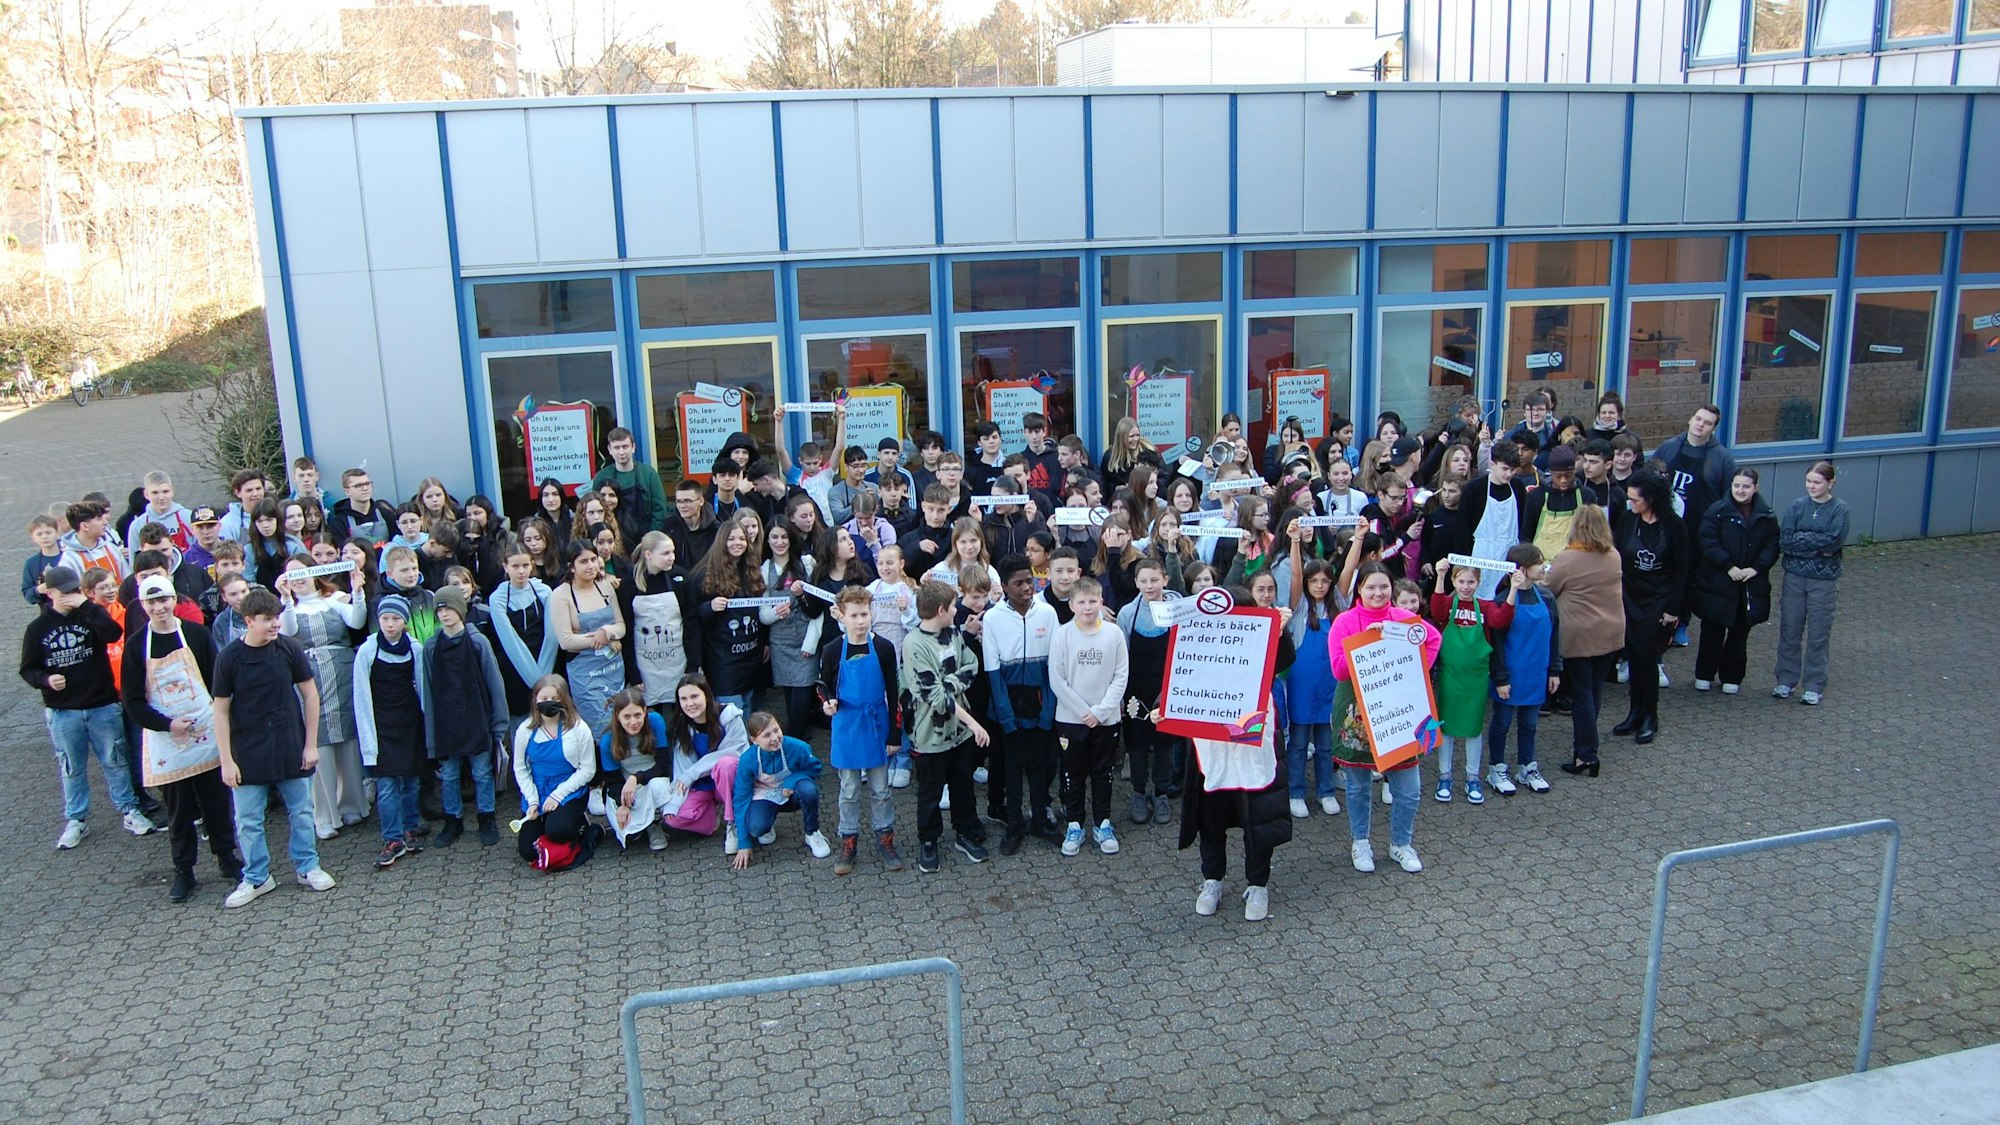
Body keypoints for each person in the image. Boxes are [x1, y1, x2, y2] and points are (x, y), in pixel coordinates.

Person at [213, 586, 335, 908]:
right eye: (267, 619)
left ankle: (307, 867)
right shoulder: (228, 658)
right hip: (247, 749)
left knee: (302, 811)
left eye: (277, 618)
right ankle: (257, 877)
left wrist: (311, 745)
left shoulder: (288, 649)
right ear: (249, 620)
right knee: (249, 819)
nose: (275, 625)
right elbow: (220, 710)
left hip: (289, 744)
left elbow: (311, 696)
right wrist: (227, 760)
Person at [21, 564, 156, 848]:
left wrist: (88, 605)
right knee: (72, 766)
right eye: (67, 591)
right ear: (52, 593)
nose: (72, 595)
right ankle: (76, 819)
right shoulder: (37, 628)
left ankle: (129, 810)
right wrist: (45, 679)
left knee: (115, 760)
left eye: (76, 590)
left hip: (102, 704)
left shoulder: (90, 616)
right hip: (63, 710)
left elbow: (111, 632)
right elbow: (28, 668)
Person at [123, 575, 240, 900]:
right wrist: (166, 724)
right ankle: (184, 871)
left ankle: (227, 859)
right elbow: (132, 700)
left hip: (205, 732)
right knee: (178, 810)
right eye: (152, 602)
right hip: (167, 741)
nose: (159, 607)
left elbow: (217, 681)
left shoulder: (196, 635)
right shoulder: (136, 645)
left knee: (217, 802)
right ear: (143, 606)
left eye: (164, 600)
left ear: (174, 600)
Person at [1330, 562, 1441, 874]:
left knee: (1409, 787)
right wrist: (1366, 645)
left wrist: (1418, 669)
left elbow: (1433, 640)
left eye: (1383, 586)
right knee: (1358, 785)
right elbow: (1338, 670)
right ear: (1359, 591)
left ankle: (1401, 844)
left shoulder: (1404, 619)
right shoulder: (1345, 621)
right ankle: (1360, 842)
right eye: (1370, 587)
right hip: (1357, 714)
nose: (1378, 593)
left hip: (1400, 712)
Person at [276, 554, 370, 840]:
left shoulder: (334, 598)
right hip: (309, 676)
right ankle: (325, 814)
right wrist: (286, 600)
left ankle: (352, 803)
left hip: (341, 673)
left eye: (302, 572)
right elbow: (289, 632)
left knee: (347, 738)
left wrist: (357, 591)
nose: (298, 579)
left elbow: (356, 621)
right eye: (291, 575)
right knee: (319, 742)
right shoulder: (287, 608)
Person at [901, 580, 992, 873]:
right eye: (953, 606)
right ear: (941, 610)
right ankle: (928, 839)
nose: (957, 610)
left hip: (959, 735)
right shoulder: (914, 645)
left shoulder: (952, 632)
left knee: (962, 784)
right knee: (930, 790)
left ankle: (965, 831)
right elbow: (936, 699)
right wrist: (973, 722)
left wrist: (947, 684)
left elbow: (971, 666)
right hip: (931, 736)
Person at [1172, 709, 1292, 923]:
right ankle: (1212, 879)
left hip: (1252, 732)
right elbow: (1181, 678)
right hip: (1211, 744)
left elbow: (1276, 673)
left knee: (1258, 816)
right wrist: (1165, 706)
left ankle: (1258, 885)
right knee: (1210, 818)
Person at [817, 587, 903, 875]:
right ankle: (848, 839)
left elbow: (894, 690)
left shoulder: (884, 648)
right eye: (854, 615)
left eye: (864, 614)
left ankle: (885, 837)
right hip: (846, 726)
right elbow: (822, 685)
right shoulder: (831, 650)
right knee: (849, 790)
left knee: (881, 789)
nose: (860, 621)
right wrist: (827, 704)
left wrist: (894, 734)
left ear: (872, 612)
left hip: (876, 724)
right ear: (841, 616)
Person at [986, 553, 1061, 855]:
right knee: (1013, 768)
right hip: (1009, 708)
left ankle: (1041, 819)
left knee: (1041, 766)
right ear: (1004, 586)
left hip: (1040, 705)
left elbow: (1055, 667)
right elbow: (993, 672)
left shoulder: (1048, 613)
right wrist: (1006, 718)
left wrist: (1048, 713)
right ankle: (1014, 824)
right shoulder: (992, 619)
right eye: (1018, 583)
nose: (1027, 587)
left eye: (1029, 581)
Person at [1048, 580, 1128, 858]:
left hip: (1106, 719)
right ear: (1071, 605)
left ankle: (1103, 823)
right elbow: (1057, 679)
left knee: (1103, 773)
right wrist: (1083, 710)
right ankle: (1074, 824)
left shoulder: (1114, 634)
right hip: (1071, 719)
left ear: (1101, 601)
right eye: (1081, 602)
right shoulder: (1062, 635)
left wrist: (1101, 711)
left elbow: (1121, 676)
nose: (1087, 607)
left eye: (1093, 601)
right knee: (1073, 774)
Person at [425, 584, 509, 847]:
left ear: (461, 610)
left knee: (482, 772)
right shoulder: (431, 647)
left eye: (449, 608)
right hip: (446, 723)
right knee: (449, 775)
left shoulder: (477, 642)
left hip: (477, 720)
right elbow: (427, 690)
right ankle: (454, 820)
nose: (445, 614)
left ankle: (487, 817)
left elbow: (495, 684)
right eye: (440, 610)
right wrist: (430, 733)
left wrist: (499, 724)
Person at [1544, 505, 1623, 777]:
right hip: (1610, 632)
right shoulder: (1613, 555)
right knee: (1595, 689)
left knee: (1581, 694)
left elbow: (1548, 588)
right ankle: (1587, 747)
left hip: (1580, 635)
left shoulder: (1568, 559)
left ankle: (1586, 754)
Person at [353, 594, 430, 868]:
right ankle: (392, 838)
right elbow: (360, 694)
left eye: (395, 618)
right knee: (386, 785)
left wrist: (426, 726)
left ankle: (410, 828)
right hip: (381, 725)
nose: (389, 624)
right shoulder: (368, 650)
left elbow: (422, 687)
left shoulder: (415, 649)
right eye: (385, 618)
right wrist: (367, 736)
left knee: (410, 781)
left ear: (404, 621)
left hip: (409, 722)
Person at [1651, 404, 1737, 645]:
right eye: (1698, 419)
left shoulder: (1722, 459)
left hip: (1697, 529)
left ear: (1713, 428)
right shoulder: (1668, 448)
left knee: (1687, 577)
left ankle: (1682, 623)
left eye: (1707, 422)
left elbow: (1727, 498)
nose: (1701, 425)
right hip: (1664, 525)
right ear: (1690, 419)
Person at [1614, 470, 1689, 745]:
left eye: (1636, 499)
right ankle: (1634, 711)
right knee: (1633, 655)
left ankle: (1650, 715)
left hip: (1658, 600)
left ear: (1652, 499)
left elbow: (1682, 571)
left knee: (1648, 658)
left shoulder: (1674, 526)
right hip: (1629, 597)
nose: (1631, 503)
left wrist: (1673, 609)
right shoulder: (1628, 520)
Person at [1428, 561, 1513, 804]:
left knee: (1474, 728)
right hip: (1449, 678)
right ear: (1455, 582)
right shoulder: (1448, 604)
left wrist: (1514, 589)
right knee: (1446, 728)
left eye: (1471, 582)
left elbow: (1501, 620)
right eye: (1461, 581)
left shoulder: (1485, 606)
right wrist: (1440, 576)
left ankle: (1472, 777)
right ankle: (1445, 776)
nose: (1466, 587)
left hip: (1475, 679)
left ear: (1479, 583)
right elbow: (1436, 609)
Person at [1690, 468, 1778, 695]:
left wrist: (1756, 569)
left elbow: (1772, 545)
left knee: (1740, 633)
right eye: (1737, 485)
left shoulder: (1766, 515)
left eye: (1746, 486)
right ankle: (1704, 674)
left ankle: (1732, 675)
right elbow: (1707, 540)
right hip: (1719, 581)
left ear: (1755, 488)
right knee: (1712, 630)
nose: (1740, 491)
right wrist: (1728, 566)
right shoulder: (1717, 511)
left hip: (1749, 584)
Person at [1484, 545, 1561, 796]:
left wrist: (1555, 670)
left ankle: (1527, 767)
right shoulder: (1502, 601)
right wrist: (1501, 678)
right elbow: (1496, 644)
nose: (1544, 566)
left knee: (1530, 723)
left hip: (1537, 673)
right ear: (1523, 569)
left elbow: (1554, 636)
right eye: (1539, 562)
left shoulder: (1547, 598)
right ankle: (1497, 767)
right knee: (1502, 722)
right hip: (1510, 674)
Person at [689, 519, 786, 715]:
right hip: (722, 660)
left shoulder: (752, 570)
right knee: (731, 713)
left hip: (751, 656)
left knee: (749, 707)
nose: (737, 543)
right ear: (721, 541)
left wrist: (764, 641)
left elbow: (761, 608)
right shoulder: (703, 574)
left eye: (742, 538)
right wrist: (710, 607)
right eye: (731, 538)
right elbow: (692, 617)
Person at [1772, 460, 1848, 706]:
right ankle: (1785, 679)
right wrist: (1814, 544)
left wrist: (1804, 540)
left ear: (1830, 483)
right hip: (1794, 578)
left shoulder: (1839, 510)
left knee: (1818, 634)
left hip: (1823, 582)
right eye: (1808, 482)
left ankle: (1814, 684)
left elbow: (1833, 542)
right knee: (1789, 629)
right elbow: (1785, 541)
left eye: (1817, 482)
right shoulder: (1797, 507)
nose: (1812, 487)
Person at [1115, 559, 1180, 826]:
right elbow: (1120, 658)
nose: (1149, 585)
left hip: (1168, 689)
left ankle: (1162, 794)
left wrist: (1172, 690)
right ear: (1136, 583)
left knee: (1165, 745)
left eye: (1154, 580)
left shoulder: (1179, 610)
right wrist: (1119, 696)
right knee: (1137, 745)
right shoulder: (1127, 614)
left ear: (1165, 580)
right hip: (1135, 691)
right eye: (1143, 581)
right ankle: (1139, 793)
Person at [1283, 528, 1343, 818]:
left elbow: (1351, 569)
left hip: (1329, 684)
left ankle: (1326, 790)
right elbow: (1294, 575)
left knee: (1324, 742)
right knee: (1297, 742)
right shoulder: (1299, 606)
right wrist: (1295, 541)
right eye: (1314, 580)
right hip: (1301, 685)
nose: (1319, 585)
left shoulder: (1337, 607)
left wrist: (1356, 538)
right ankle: (1295, 791)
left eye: (1324, 581)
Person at [511, 675, 598, 871]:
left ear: (564, 700)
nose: (548, 703)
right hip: (538, 790)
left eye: (554, 698)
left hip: (569, 791)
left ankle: (582, 827)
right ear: (535, 700)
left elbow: (587, 770)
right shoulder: (524, 730)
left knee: (558, 830)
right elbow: (520, 768)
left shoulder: (578, 728)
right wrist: (532, 800)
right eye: (543, 699)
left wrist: (558, 795)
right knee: (527, 851)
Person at [728, 712, 826, 869]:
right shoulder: (747, 760)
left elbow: (815, 767)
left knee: (808, 790)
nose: (774, 738)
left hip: (792, 794)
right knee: (756, 828)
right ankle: (767, 823)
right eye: (766, 735)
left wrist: (792, 781)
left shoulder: (797, 747)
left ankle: (812, 832)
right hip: (765, 795)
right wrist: (744, 843)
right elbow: (741, 799)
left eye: (776, 730)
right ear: (754, 741)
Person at [552, 541, 627, 736]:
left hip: (613, 668)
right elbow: (566, 641)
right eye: (583, 561)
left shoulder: (606, 588)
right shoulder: (561, 595)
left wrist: (608, 631)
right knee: (598, 728)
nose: (591, 565)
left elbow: (621, 627)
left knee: (620, 724)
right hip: (585, 672)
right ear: (571, 566)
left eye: (594, 559)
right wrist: (605, 639)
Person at [621, 531, 694, 707]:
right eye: (665, 553)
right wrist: (633, 672)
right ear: (648, 554)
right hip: (645, 664)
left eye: (673, 552)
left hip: (677, 661)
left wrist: (693, 664)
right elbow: (627, 631)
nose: (671, 558)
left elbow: (692, 623)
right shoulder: (629, 583)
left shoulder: (681, 578)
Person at [1459, 441, 1531, 600]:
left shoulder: (1518, 487)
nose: (1509, 474)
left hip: (1510, 554)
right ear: (1493, 463)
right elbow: (1463, 528)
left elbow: (1523, 521)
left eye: (1512, 470)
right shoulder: (1474, 489)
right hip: (1481, 554)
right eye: (1505, 469)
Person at [22, 513, 64, 606]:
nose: (44, 537)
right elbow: (27, 594)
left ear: (57, 533)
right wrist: (38, 590)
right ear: (33, 538)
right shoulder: (32, 563)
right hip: (49, 612)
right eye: (39, 534)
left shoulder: (70, 555)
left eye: (48, 532)